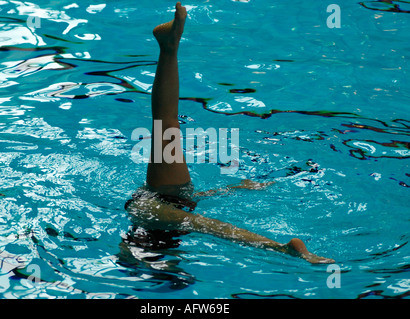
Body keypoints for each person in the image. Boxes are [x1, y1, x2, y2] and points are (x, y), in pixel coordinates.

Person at [124, 2, 334, 264]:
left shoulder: (143, 244)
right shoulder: (158, 233)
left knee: (204, 223)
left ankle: (281, 248)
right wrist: (232, 190)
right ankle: (169, 48)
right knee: (165, 122)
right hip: (171, 199)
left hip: (157, 207)